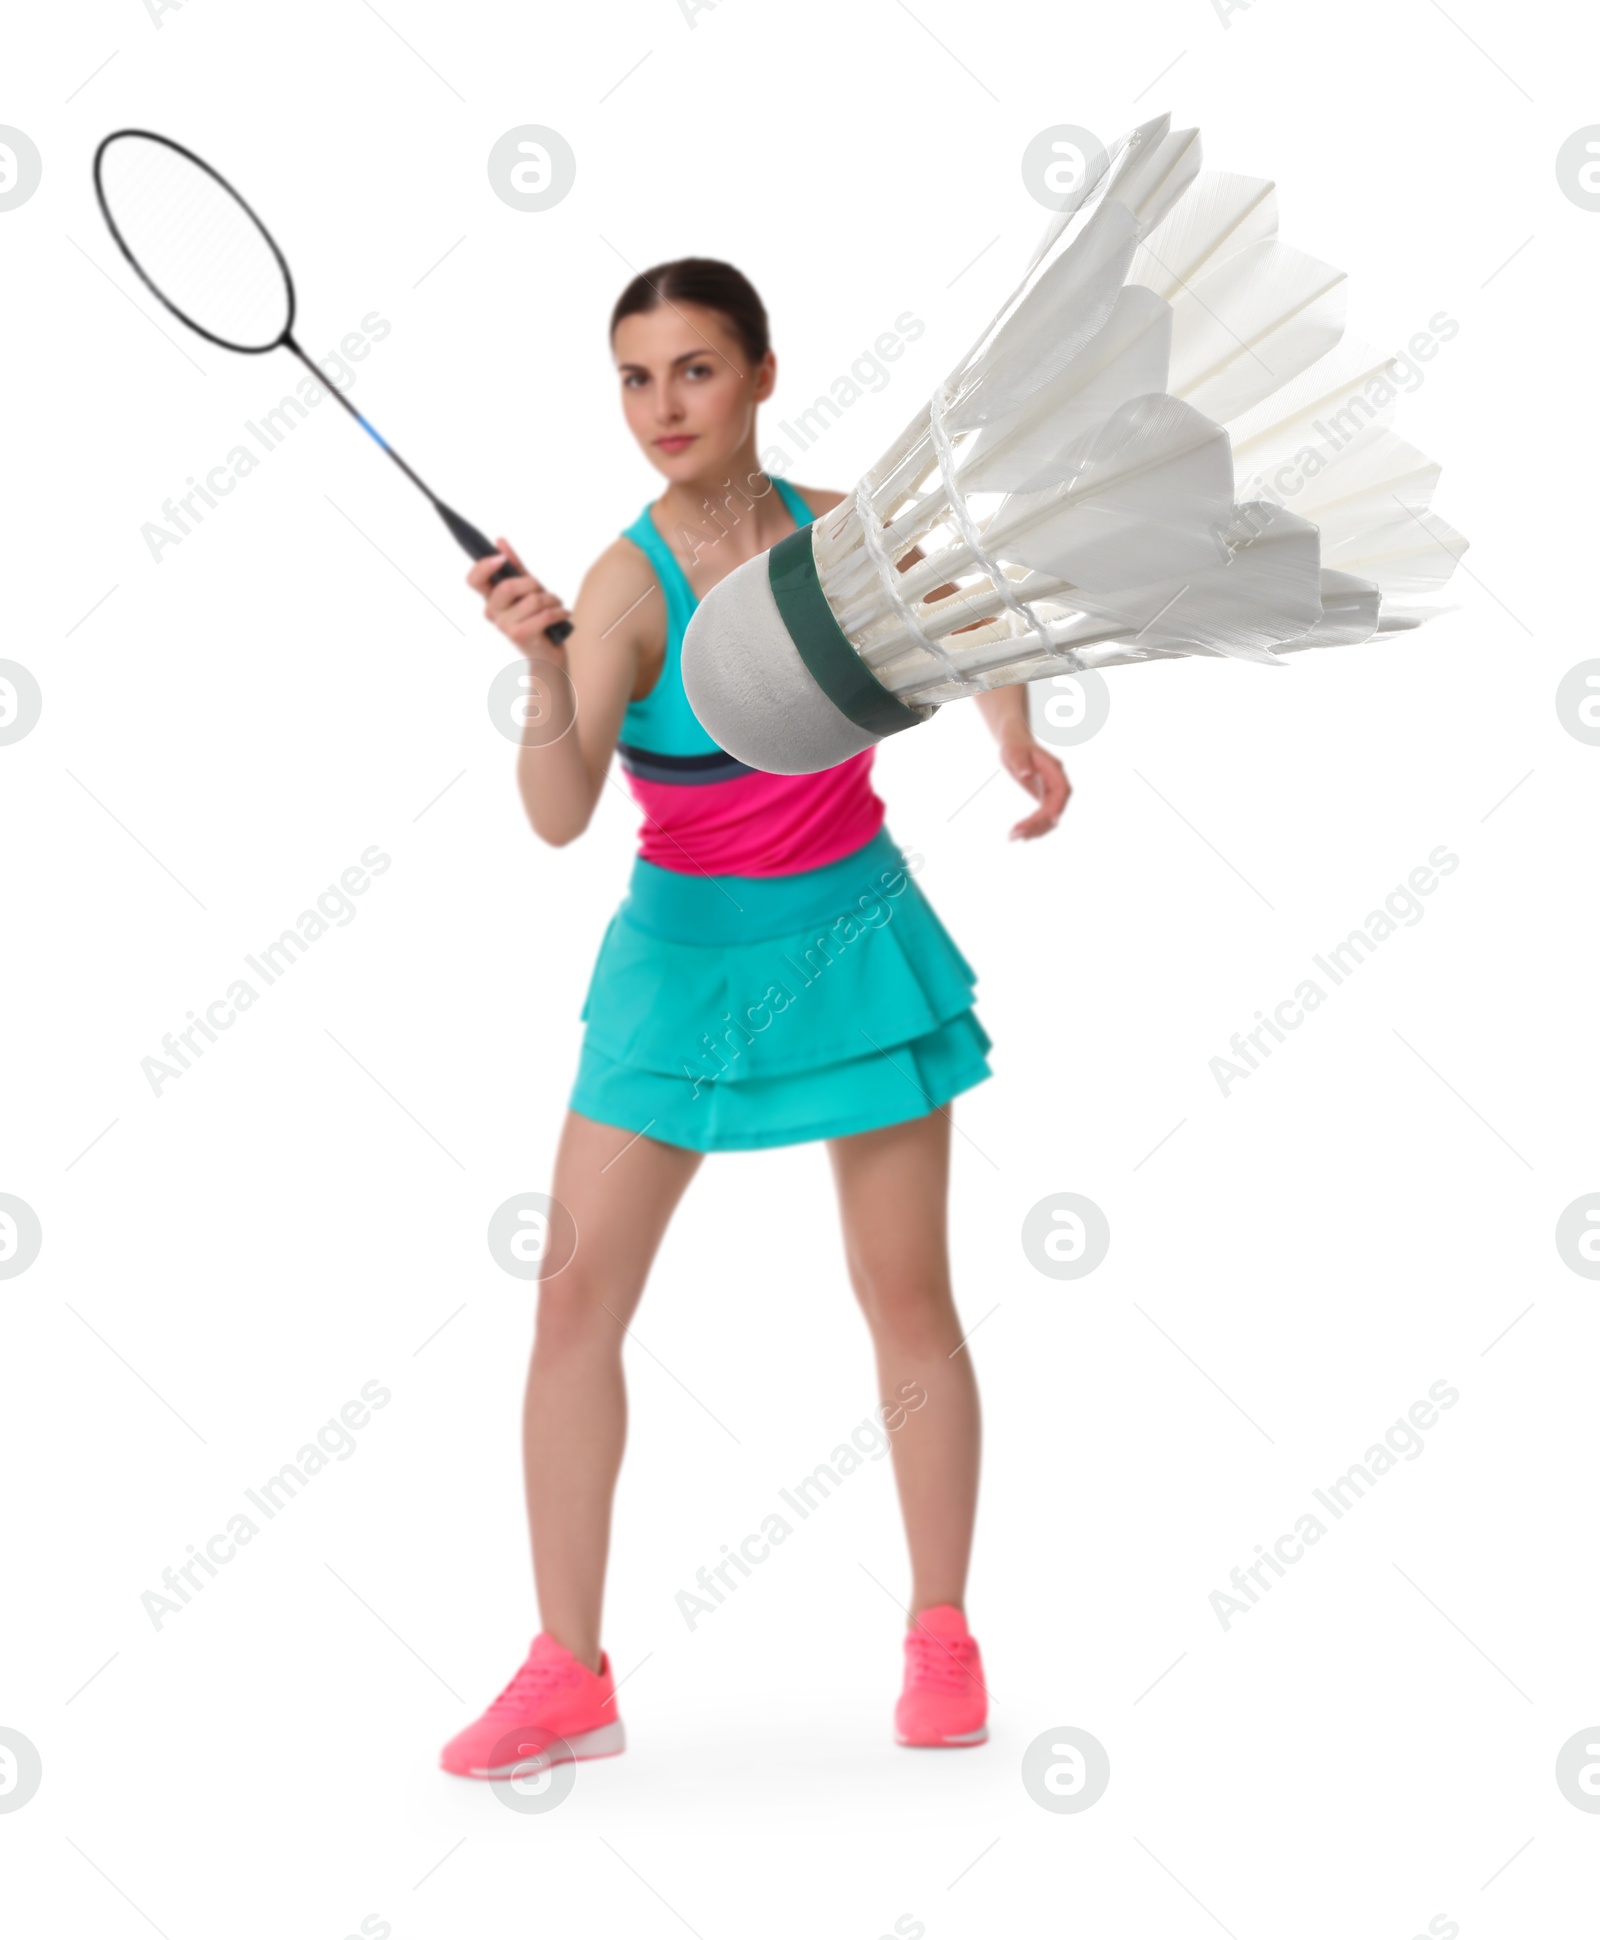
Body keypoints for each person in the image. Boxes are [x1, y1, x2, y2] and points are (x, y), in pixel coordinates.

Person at [440, 259, 1068, 1780]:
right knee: (572, 1306)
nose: (664, 407)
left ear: (764, 376)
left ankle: (941, 1637)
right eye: (636, 378)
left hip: (853, 939)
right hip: (680, 962)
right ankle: (566, 1673)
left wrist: (1019, 732)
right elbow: (557, 810)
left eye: (697, 371)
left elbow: (963, 619)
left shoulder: (839, 532)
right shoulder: (621, 585)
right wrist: (541, 672)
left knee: (904, 1294)